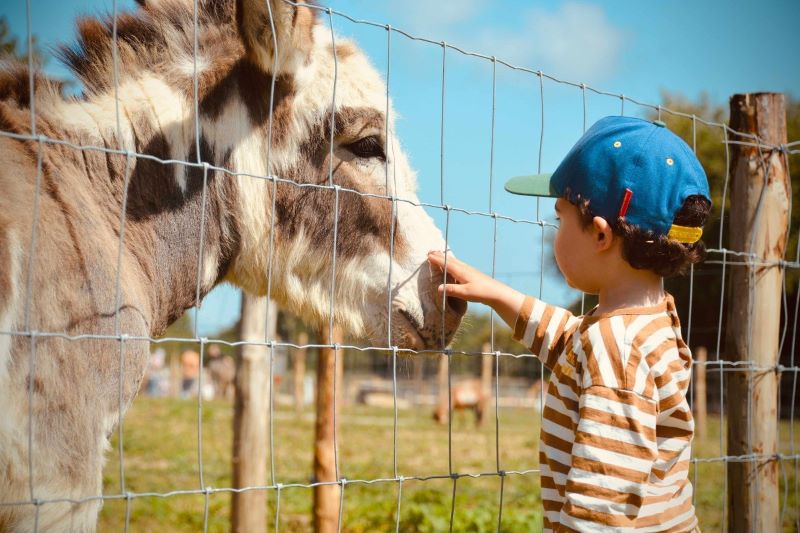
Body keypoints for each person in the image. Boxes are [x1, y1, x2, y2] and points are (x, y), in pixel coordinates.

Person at [428, 116, 710, 532]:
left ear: (600, 235)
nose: (553, 232)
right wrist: (497, 293)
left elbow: (599, 515)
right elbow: (569, 342)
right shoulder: (647, 321)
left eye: (559, 219)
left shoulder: (616, 350)